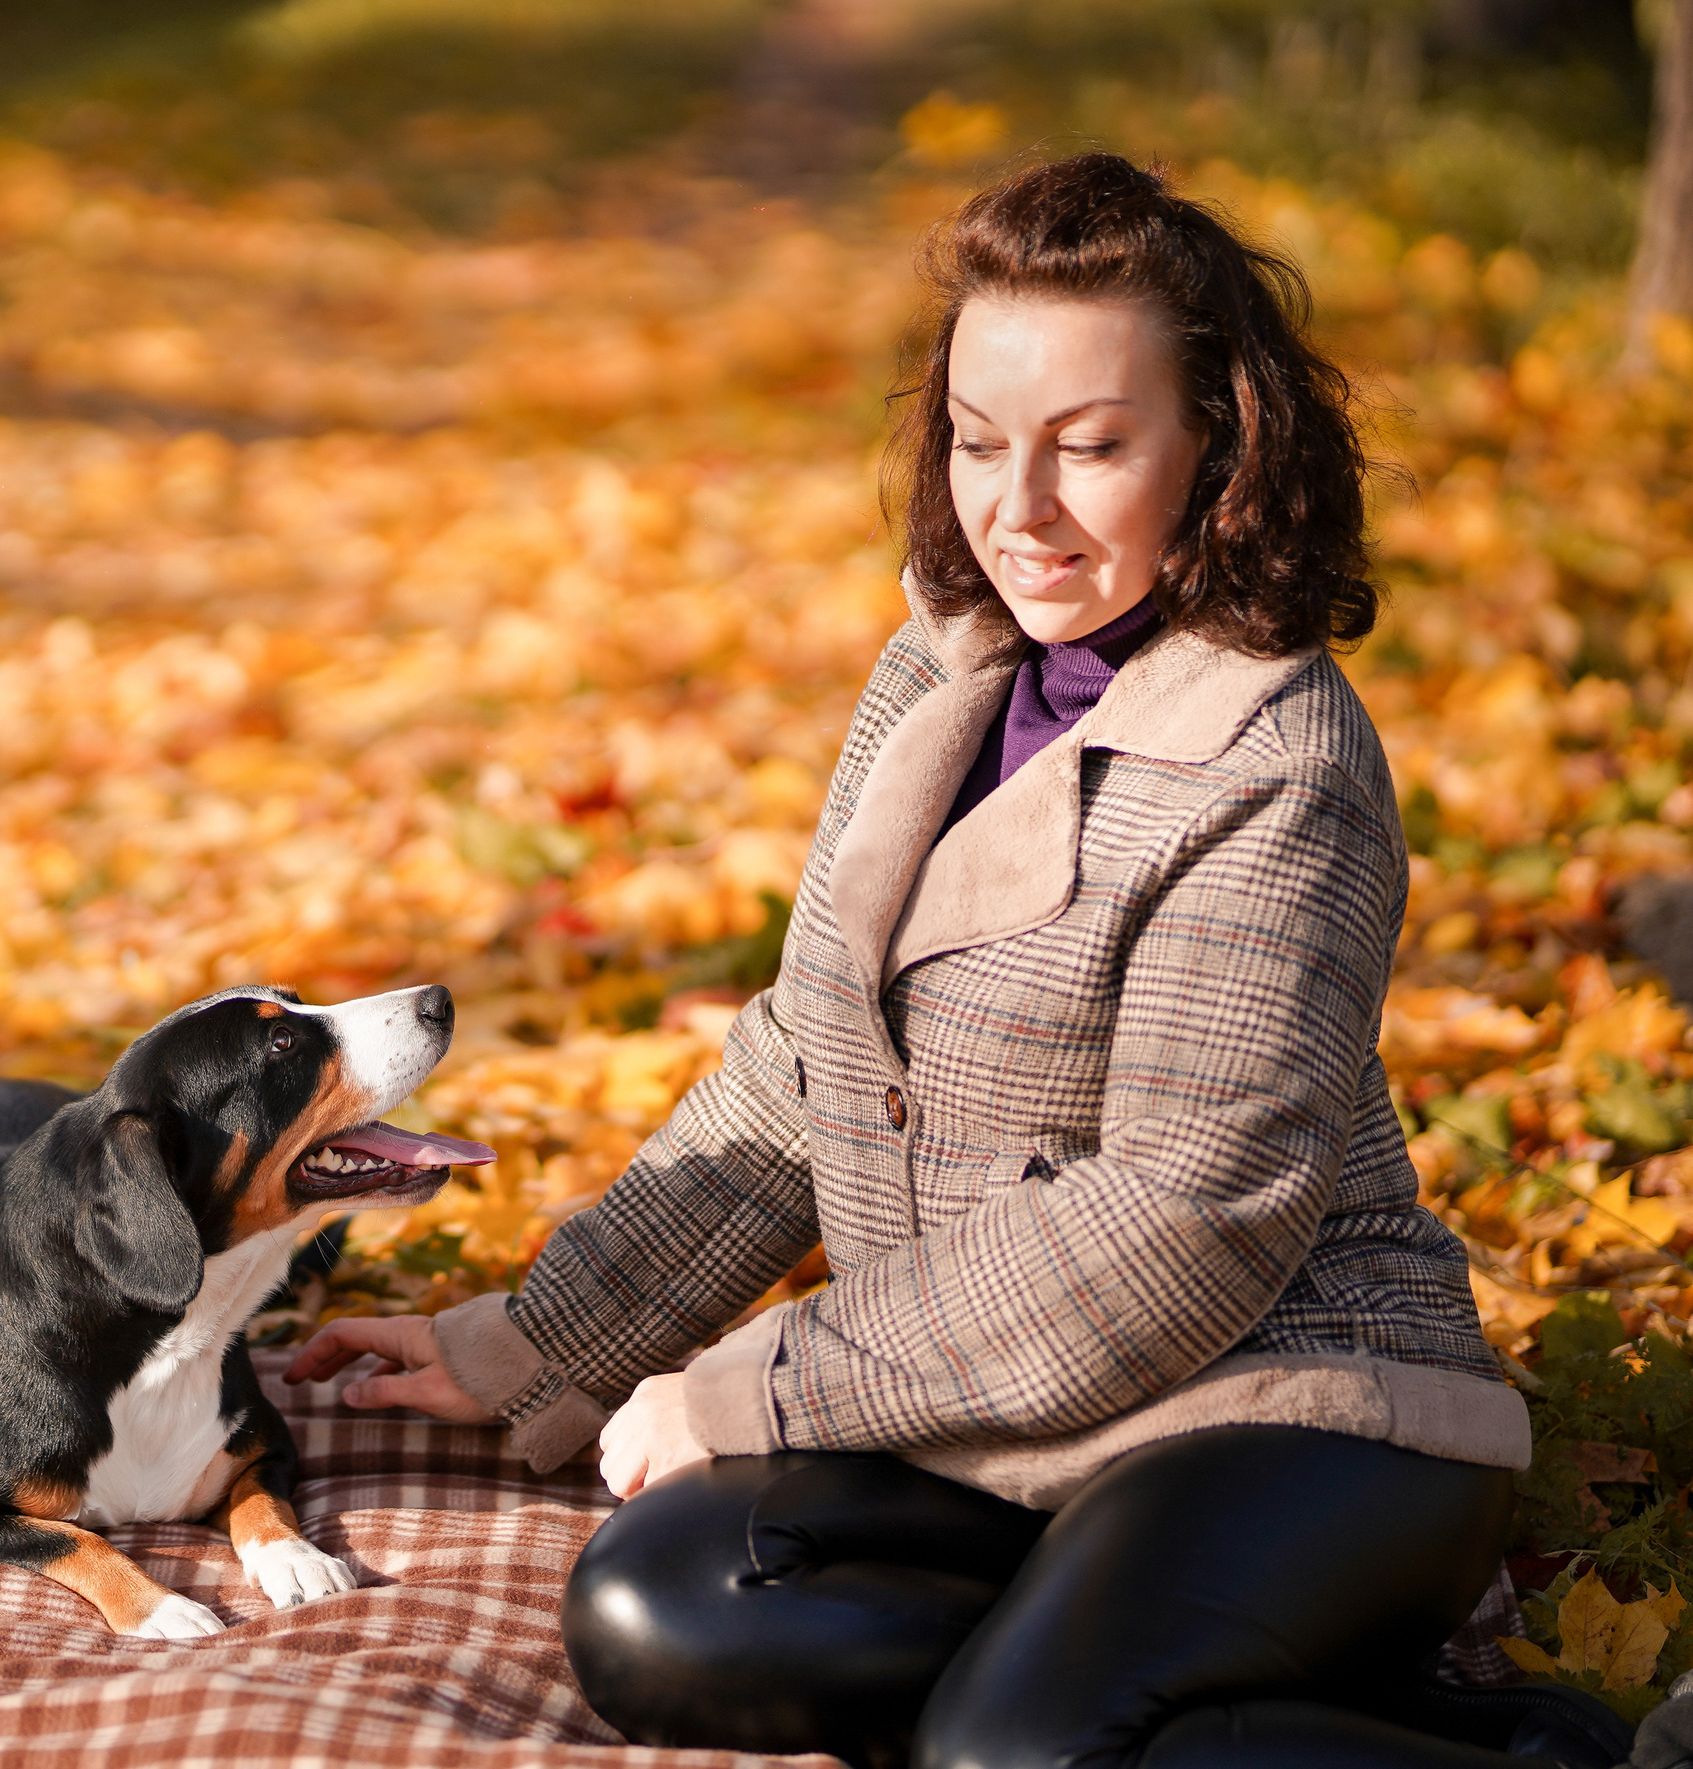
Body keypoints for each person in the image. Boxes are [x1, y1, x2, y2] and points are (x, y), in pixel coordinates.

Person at [288, 154, 1635, 1769]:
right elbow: (808, 1060)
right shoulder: (940, 669)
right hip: (1003, 1417)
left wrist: (758, 1383)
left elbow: (1178, 1225)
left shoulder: (1281, 765)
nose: (1021, 508)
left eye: (1094, 447)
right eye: (981, 441)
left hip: (1287, 1404)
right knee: (659, 1609)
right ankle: (1251, 1697)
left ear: (1221, 448)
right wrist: (546, 1339)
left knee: (1015, 1755)